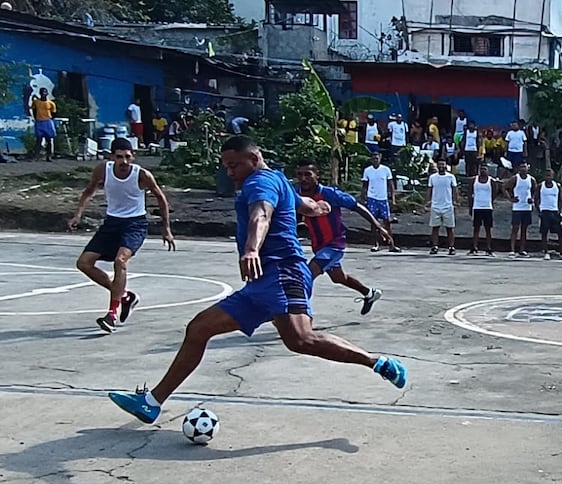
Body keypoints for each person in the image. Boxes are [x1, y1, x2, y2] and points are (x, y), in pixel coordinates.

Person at [108, 136, 407, 424]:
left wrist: (251, 248)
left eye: (234, 165)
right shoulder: (277, 179)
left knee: (302, 339)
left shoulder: (259, 183)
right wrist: (318, 208)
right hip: (263, 280)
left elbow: (261, 215)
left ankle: (378, 362)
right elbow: (302, 204)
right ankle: (152, 403)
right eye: (226, 166)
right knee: (199, 329)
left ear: (253, 158)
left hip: (282, 272)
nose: (230, 172)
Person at [67, 137, 173, 333]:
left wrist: (165, 229)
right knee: (84, 263)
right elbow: (89, 191)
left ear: (133, 157)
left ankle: (112, 314)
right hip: (111, 223)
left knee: (120, 261)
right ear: (111, 157)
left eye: (127, 157)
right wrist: (77, 215)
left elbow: (161, 198)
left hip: (135, 224)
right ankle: (125, 296)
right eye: (119, 157)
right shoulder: (102, 170)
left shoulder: (142, 175)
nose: (124, 162)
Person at [294, 159, 384, 314]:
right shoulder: (296, 194)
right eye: (300, 175)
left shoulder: (330, 194)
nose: (303, 179)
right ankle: (369, 293)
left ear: (317, 176)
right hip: (319, 245)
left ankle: (301, 315)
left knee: (305, 276)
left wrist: (377, 225)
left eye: (307, 174)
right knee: (338, 277)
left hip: (334, 245)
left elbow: (356, 206)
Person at [360, 153, 398, 252]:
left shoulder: (386, 170)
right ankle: (376, 244)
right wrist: (363, 198)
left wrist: (393, 198)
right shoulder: (367, 170)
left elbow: (391, 185)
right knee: (373, 222)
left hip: (383, 198)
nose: (375, 160)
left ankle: (391, 244)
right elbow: (364, 186)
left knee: (387, 222)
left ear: (380, 158)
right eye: (373, 159)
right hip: (372, 198)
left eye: (377, 158)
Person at [535, 168, 562, 260]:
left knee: (559, 233)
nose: (548, 177)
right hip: (545, 212)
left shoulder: (557, 186)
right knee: (544, 233)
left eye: (549, 175)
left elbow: (560, 200)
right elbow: (536, 199)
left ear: (553, 176)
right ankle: (546, 252)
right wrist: (539, 211)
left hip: (554, 212)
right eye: (546, 175)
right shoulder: (540, 186)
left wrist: (560, 211)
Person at [427, 157, 458, 255]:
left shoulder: (451, 177)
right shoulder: (432, 177)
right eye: (439, 164)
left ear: (446, 166)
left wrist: (456, 200)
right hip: (435, 205)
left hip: (447, 205)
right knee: (435, 227)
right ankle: (435, 246)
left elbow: (455, 189)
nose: (441, 166)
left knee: (450, 228)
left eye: (443, 164)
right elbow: (429, 190)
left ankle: (451, 247)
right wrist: (427, 202)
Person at [506, 162, 536, 257]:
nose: (523, 168)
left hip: (527, 207)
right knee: (515, 228)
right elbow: (504, 187)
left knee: (524, 229)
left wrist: (533, 199)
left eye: (525, 166)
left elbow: (535, 191)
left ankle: (522, 250)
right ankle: (512, 249)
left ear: (528, 168)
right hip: (517, 207)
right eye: (521, 166)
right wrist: (510, 198)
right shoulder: (515, 178)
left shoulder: (531, 179)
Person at [469, 164, 498, 256]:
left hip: (487, 207)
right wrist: (470, 207)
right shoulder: (474, 180)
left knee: (488, 229)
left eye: (485, 169)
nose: (483, 171)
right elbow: (470, 193)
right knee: (476, 228)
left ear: (488, 171)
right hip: (477, 207)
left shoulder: (491, 181)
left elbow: (495, 193)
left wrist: (490, 202)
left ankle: (489, 248)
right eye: (481, 169)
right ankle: (474, 247)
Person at [28, 87, 56, 161]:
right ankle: (36, 156)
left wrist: (48, 119)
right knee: (39, 140)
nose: (43, 93)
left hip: (48, 122)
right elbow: (34, 111)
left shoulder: (51, 103)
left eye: (45, 92)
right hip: (39, 122)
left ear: (47, 93)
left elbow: (53, 114)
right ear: (40, 93)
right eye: (42, 92)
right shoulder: (36, 102)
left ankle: (49, 156)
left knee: (49, 140)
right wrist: (37, 118)